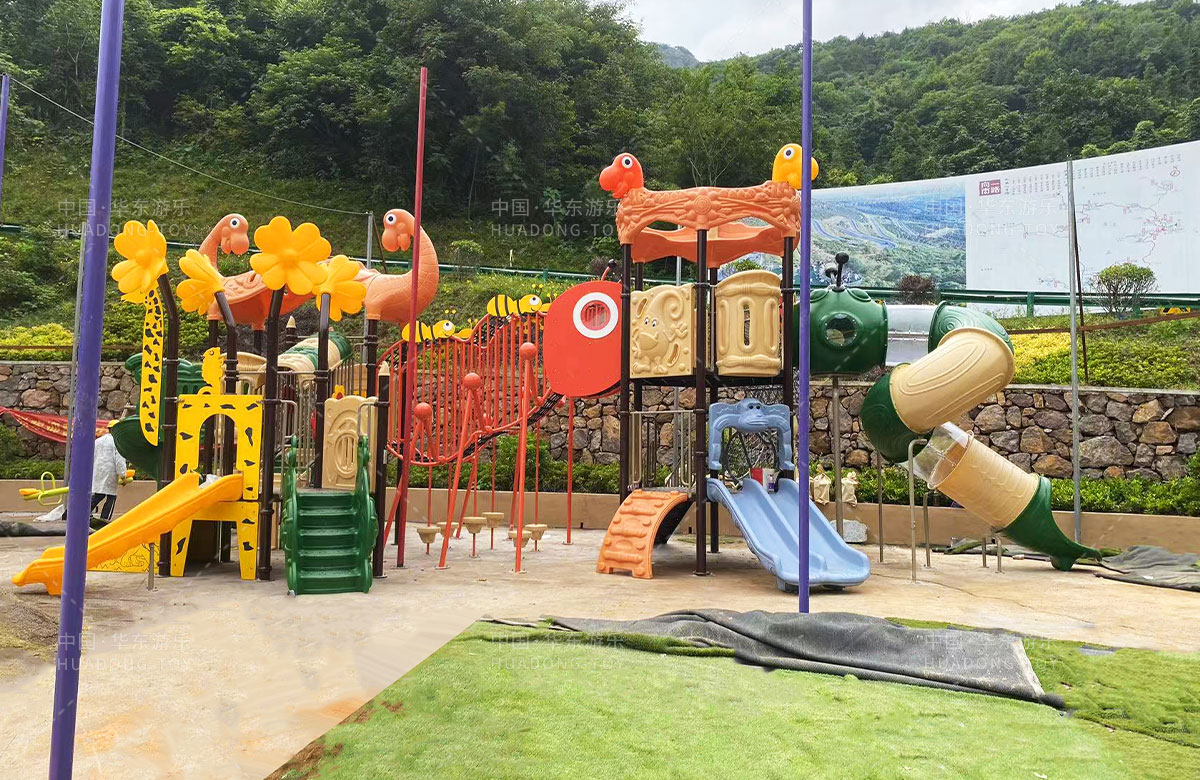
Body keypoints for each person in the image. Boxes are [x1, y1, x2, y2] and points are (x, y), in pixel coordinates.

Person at [89, 430, 128, 526]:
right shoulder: (117, 442)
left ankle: (84, 512)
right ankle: (105, 519)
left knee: (99, 495)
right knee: (111, 496)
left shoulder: (98, 441)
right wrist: (123, 475)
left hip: (97, 470)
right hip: (110, 472)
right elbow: (119, 460)